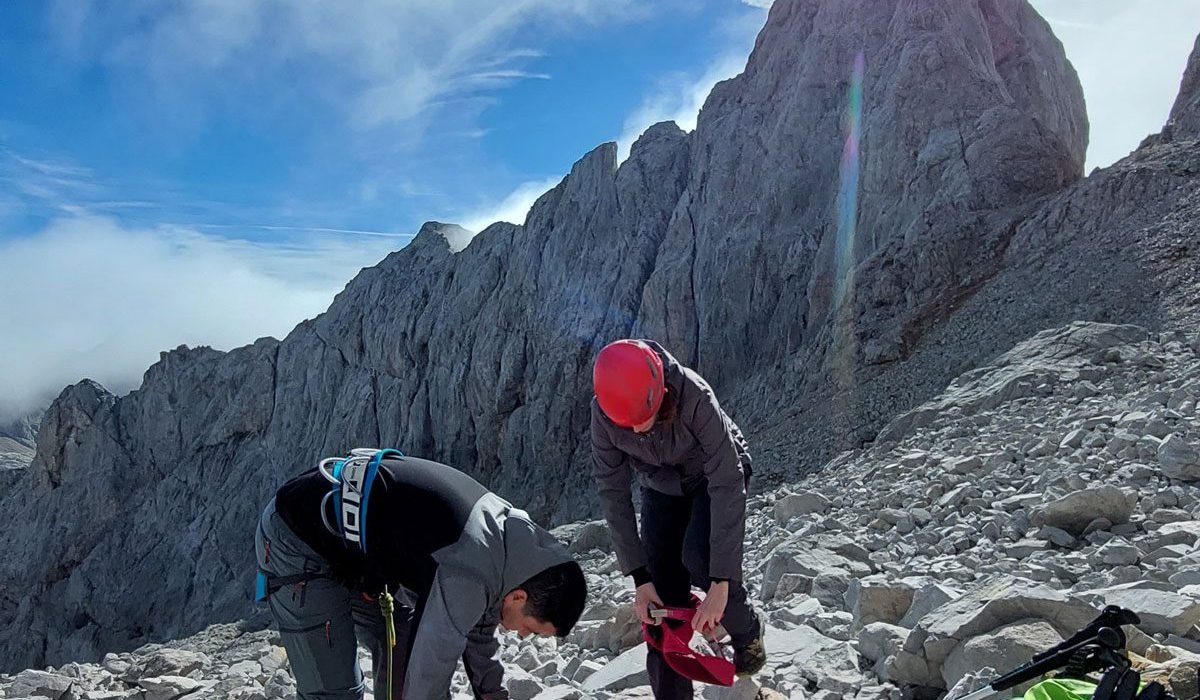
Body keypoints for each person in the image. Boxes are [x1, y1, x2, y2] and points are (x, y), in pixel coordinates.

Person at [255, 448, 586, 700]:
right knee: (335, 692)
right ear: (519, 597)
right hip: (296, 539)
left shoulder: (509, 555)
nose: (524, 636)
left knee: (402, 648)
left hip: (355, 549)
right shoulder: (469, 568)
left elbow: (478, 636)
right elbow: (430, 669)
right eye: (531, 629)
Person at [590, 339, 766, 698]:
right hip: (661, 484)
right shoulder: (604, 414)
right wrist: (640, 578)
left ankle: (747, 633)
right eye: (628, 425)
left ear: (662, 393)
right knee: (660, 606)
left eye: (642, 420)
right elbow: (613, 493)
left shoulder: (694, 394)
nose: (637, 432)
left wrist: (720, 582)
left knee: (704, 563)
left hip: (714, 474)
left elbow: (727, 480)